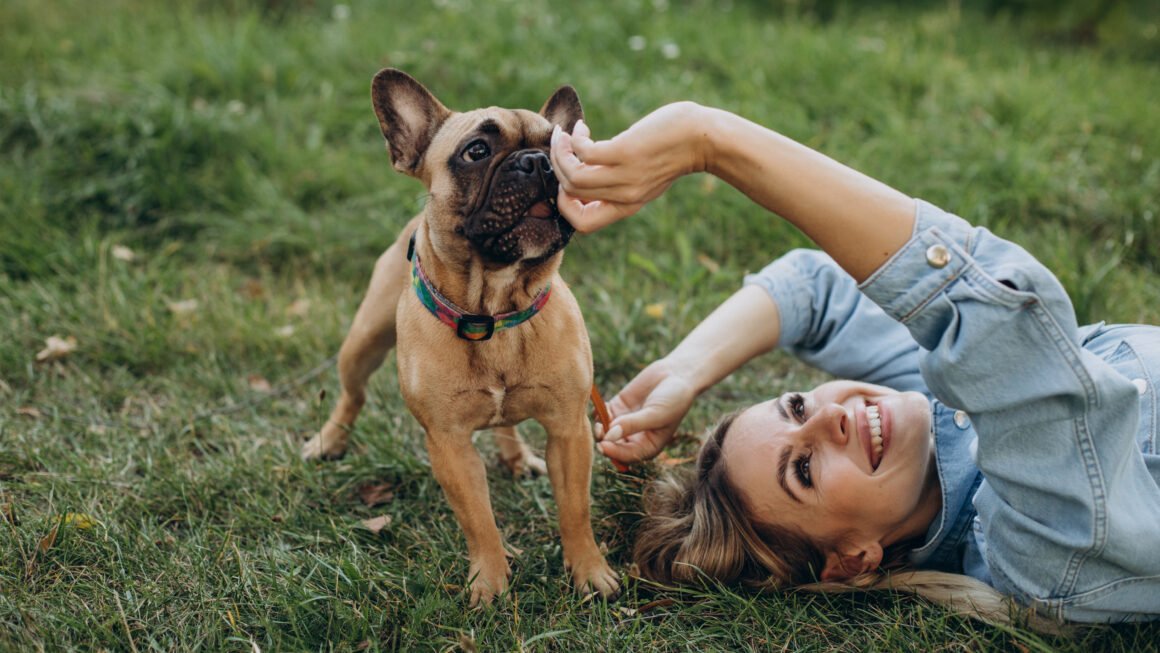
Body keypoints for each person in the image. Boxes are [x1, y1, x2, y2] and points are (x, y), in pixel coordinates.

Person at [547, 103, 1160, 626]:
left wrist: (685, 369)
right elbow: (1003, 332)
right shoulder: (1037, 553)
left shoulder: (934, 421)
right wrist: (708, 141)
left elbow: (811, 290)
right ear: (854, 559)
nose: (831, 417)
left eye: (796, 406)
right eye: (806, 469)